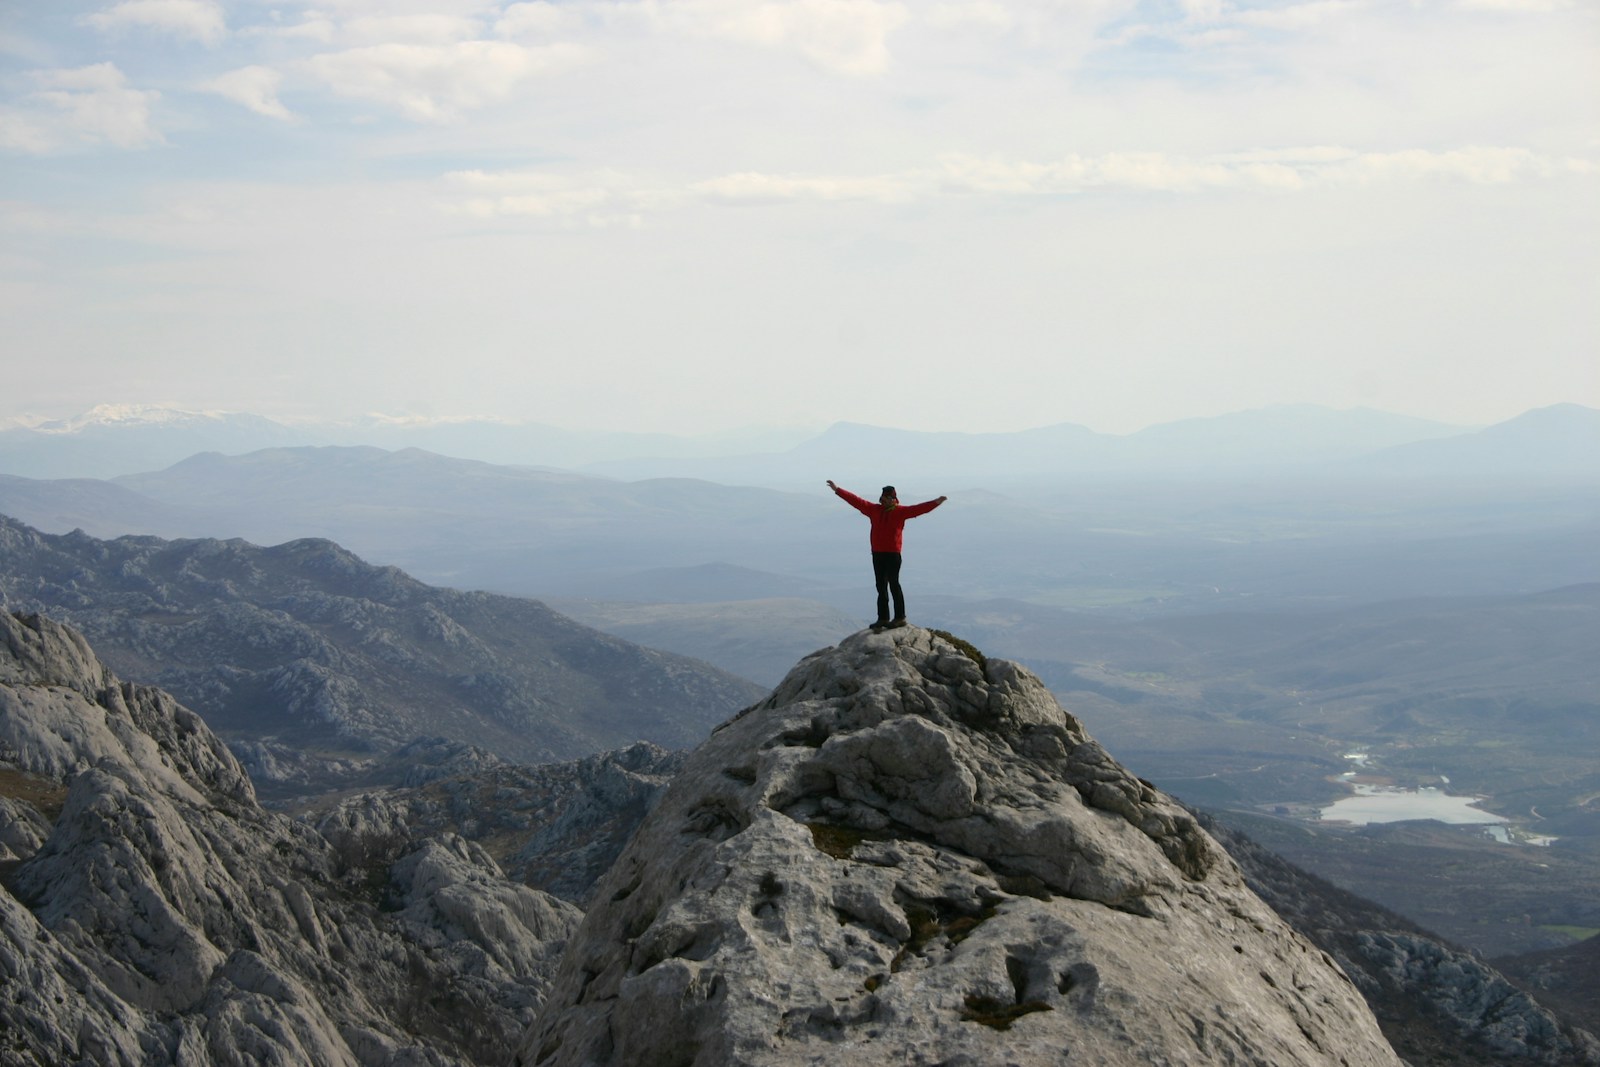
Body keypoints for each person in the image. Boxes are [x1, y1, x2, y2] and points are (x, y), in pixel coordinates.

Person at [826, 480, 947, 631]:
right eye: (882, 499)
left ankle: (900, 617)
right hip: (877, 554)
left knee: (894, 585)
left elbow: (919, 509)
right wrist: (837, 490)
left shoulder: (900, 512)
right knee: (881, 586)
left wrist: (936, 502)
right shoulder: (874, 510)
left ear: (893, 499)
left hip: (893, 554)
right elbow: (856, 501)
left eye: (886, 499)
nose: (883, 501)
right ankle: (883, 618)